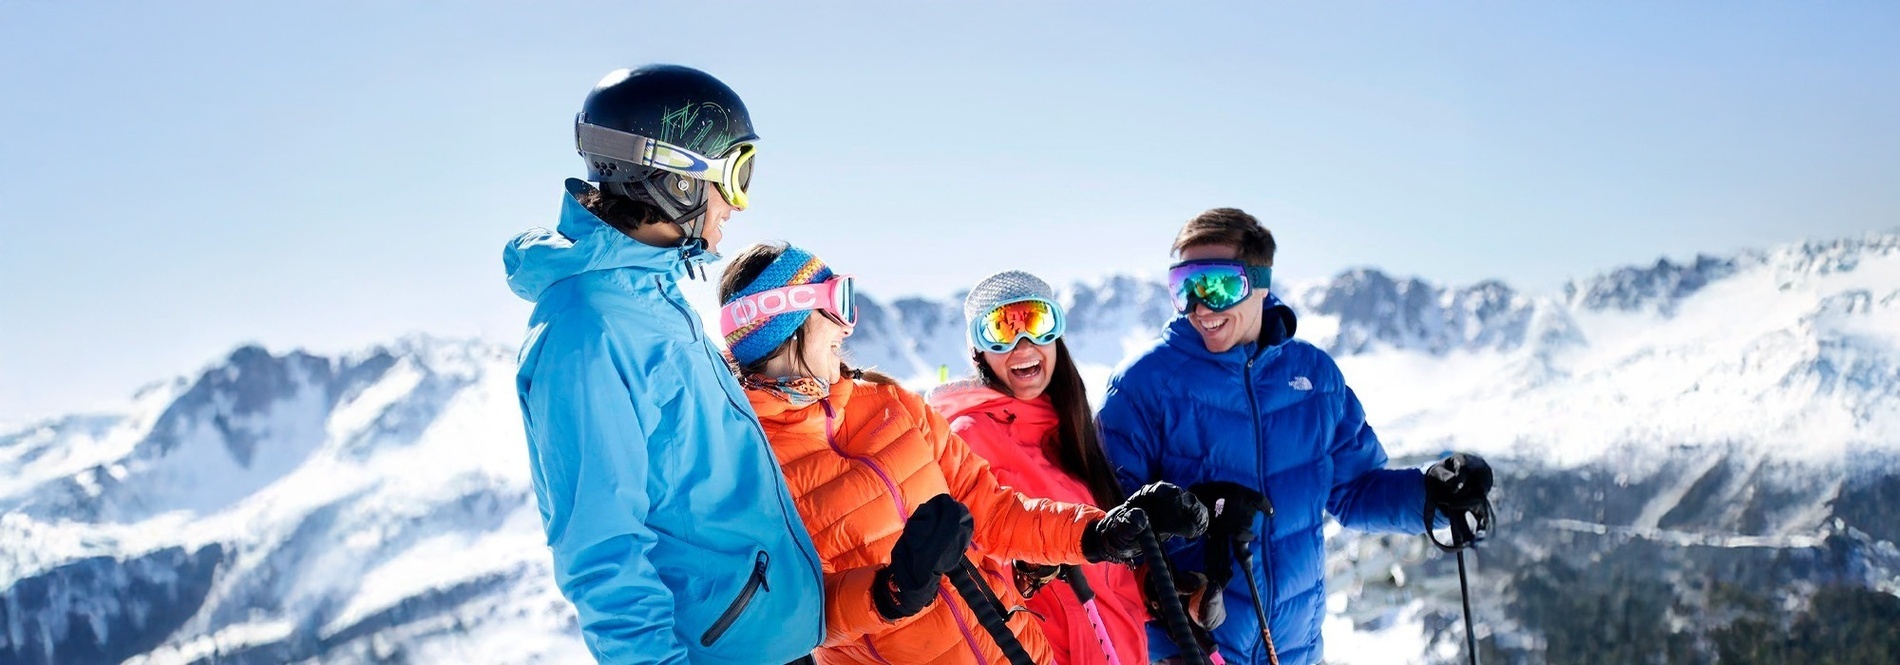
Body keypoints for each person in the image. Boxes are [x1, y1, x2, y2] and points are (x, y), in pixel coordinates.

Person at [716, 243, 1211, 665]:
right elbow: (781, 616)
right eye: (836, 304)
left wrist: (1099, 534)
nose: (847, 327)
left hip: (1017, 650)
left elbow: (994, 512)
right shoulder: (746, 459)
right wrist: (890, 592)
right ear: (788, 321)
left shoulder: (891, 405)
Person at [503, 65, 824, 665]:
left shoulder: (653, 295)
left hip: (769, 643)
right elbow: (602, 550)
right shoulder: (588, 329)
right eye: (734, 174)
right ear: (674, 177)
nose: (736, 202)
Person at [1096, 208, 1495, 665]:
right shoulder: (1143, 386)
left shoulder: (1314, 377)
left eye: (1219, 286)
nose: (1200, 306)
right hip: (1190, 651)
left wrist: (1434, 496)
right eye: (1183, 288)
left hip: (1295, 649)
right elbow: (1106, 530)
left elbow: (1355, 490)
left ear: (1261, 283)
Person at [926, 271, 1152, 665]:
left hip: (1120, 649)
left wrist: (1166, 592)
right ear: (979, 350)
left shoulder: (1069, 429)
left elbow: (1111, 577)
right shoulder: (970, 435)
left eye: (1036, 323)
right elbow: (975, 560)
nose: (1023, 344)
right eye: (1001, 329)